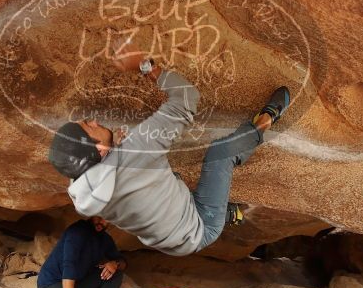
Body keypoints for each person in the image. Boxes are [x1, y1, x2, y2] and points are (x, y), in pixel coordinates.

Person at [47, 38, 291, 257]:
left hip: (168, 235)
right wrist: (145, 65)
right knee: (219, 154)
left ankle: (229, 214)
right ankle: (266, 120)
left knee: (171, 177)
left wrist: (117, 150)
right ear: (99, 150)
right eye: (89, 126)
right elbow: (187, 98)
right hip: (200, 227)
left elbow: (115, 171)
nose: (95, 120)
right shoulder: (137, 150)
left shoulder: (81, 191)